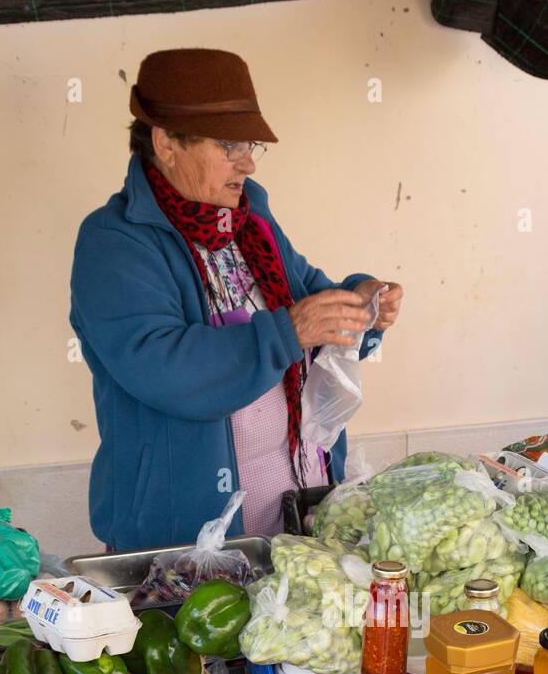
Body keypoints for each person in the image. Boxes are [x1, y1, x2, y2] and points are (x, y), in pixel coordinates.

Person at [71, 48, 403, 551]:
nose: (247, 163)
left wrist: (360, 300)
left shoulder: (251, 218)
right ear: (165, 142)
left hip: (295, 518)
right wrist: (289, 331)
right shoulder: (114, 243)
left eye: (250, 145)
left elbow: (306, 292)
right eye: (229, 145)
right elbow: (167, 369)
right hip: (189, 541)